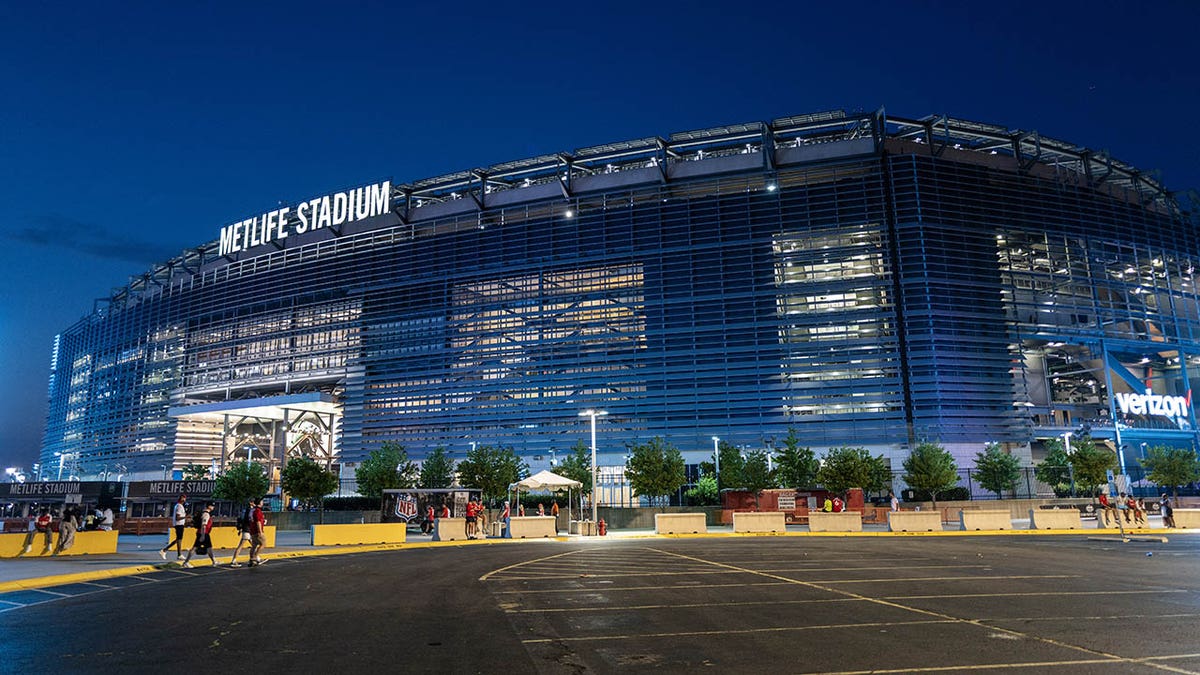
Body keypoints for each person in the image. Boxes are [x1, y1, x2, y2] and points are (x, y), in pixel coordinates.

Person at [182, 503, 217, 568]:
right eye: (212, 505)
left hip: (202, 533)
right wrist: (203, 535)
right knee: (196, 548)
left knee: (208, 547)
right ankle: (186, 562)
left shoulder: (203, 513)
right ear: (209, 506)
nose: (213, 507)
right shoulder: (206, 514)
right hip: (203, 533)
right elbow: (204, 525)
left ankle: (214, 561)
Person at [160, 494, 189, 560]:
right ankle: (178, 554)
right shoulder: (179, 506)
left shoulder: (178, 506)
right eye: (183, 498)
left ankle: (165, 550)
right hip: (179, 524)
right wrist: (186, 517)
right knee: (179, 539)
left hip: (179, 524)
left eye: (185, 498)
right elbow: (177, 517)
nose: (184, 499)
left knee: (178, 539)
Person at [228, 497, 256, 567]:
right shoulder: (250, 510)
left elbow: (241, 519)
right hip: (247, 529)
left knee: (253, 545)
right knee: (241, 546)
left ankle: (255, 558)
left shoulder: (244, 510)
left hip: (246, 529)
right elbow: (249, 519)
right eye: (254, 502)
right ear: (251, 503)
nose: (255, 503)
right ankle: (234, 560)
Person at [248, 497, 267, 567]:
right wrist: (260, 531)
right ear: (259, 503)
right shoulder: (258, 511)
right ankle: (255, 557)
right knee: (263, 544)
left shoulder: (253, 510)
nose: (263, 503)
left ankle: (251, 559)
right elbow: (258, 522)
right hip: (257, 531)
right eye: (262, 502)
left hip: (252, 531)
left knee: (254, 545)